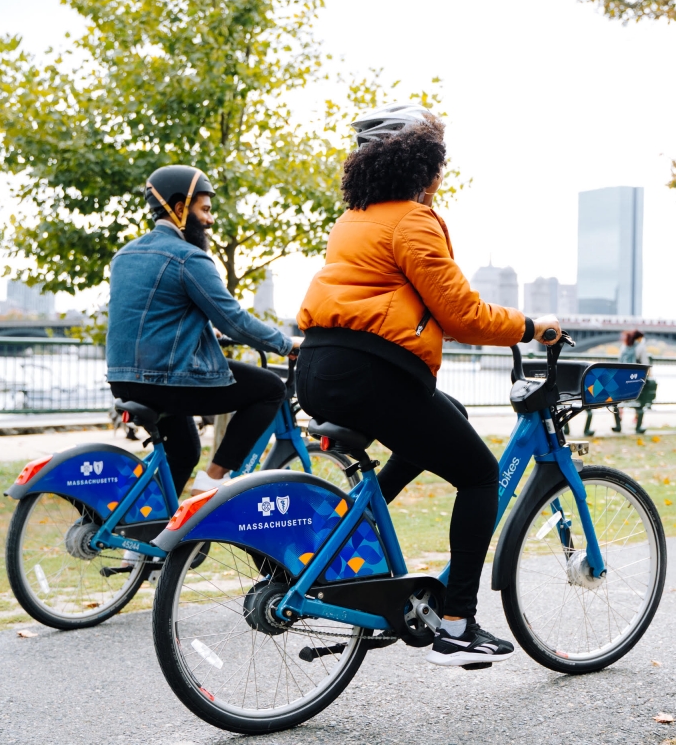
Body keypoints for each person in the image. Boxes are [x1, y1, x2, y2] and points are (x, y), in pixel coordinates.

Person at [295, 103, 562, 668]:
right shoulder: (412, 221)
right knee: (480, 474)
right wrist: (530, 326)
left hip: (319, 371)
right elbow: (462, 315)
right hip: (371, 375)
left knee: (450, 413)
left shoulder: (354, 219)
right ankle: (459, 623)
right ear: (425, 166)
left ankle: (345, 531)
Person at [106, 165, 300, 498]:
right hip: (165, 380)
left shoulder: (124, 255)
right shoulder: (188, 258)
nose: (210, 220)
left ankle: (146, 538)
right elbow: (234, 319)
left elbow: (158, 318)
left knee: (183, 452)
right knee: (269, 388)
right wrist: (286, 344)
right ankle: (213, 484)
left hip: (123, 380)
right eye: (205, 209)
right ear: (180, 209)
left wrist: (210, 336)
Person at [613, 330, 656, 434]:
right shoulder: (641, 347)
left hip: (621, 380)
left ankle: (618, 424)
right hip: (635, 381)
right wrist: (650, 376)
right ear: (638, 338)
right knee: (642, 397)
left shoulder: (624, 346)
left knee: (618, 402)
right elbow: (645, 364)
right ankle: (637, 422)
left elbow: (620, 361)